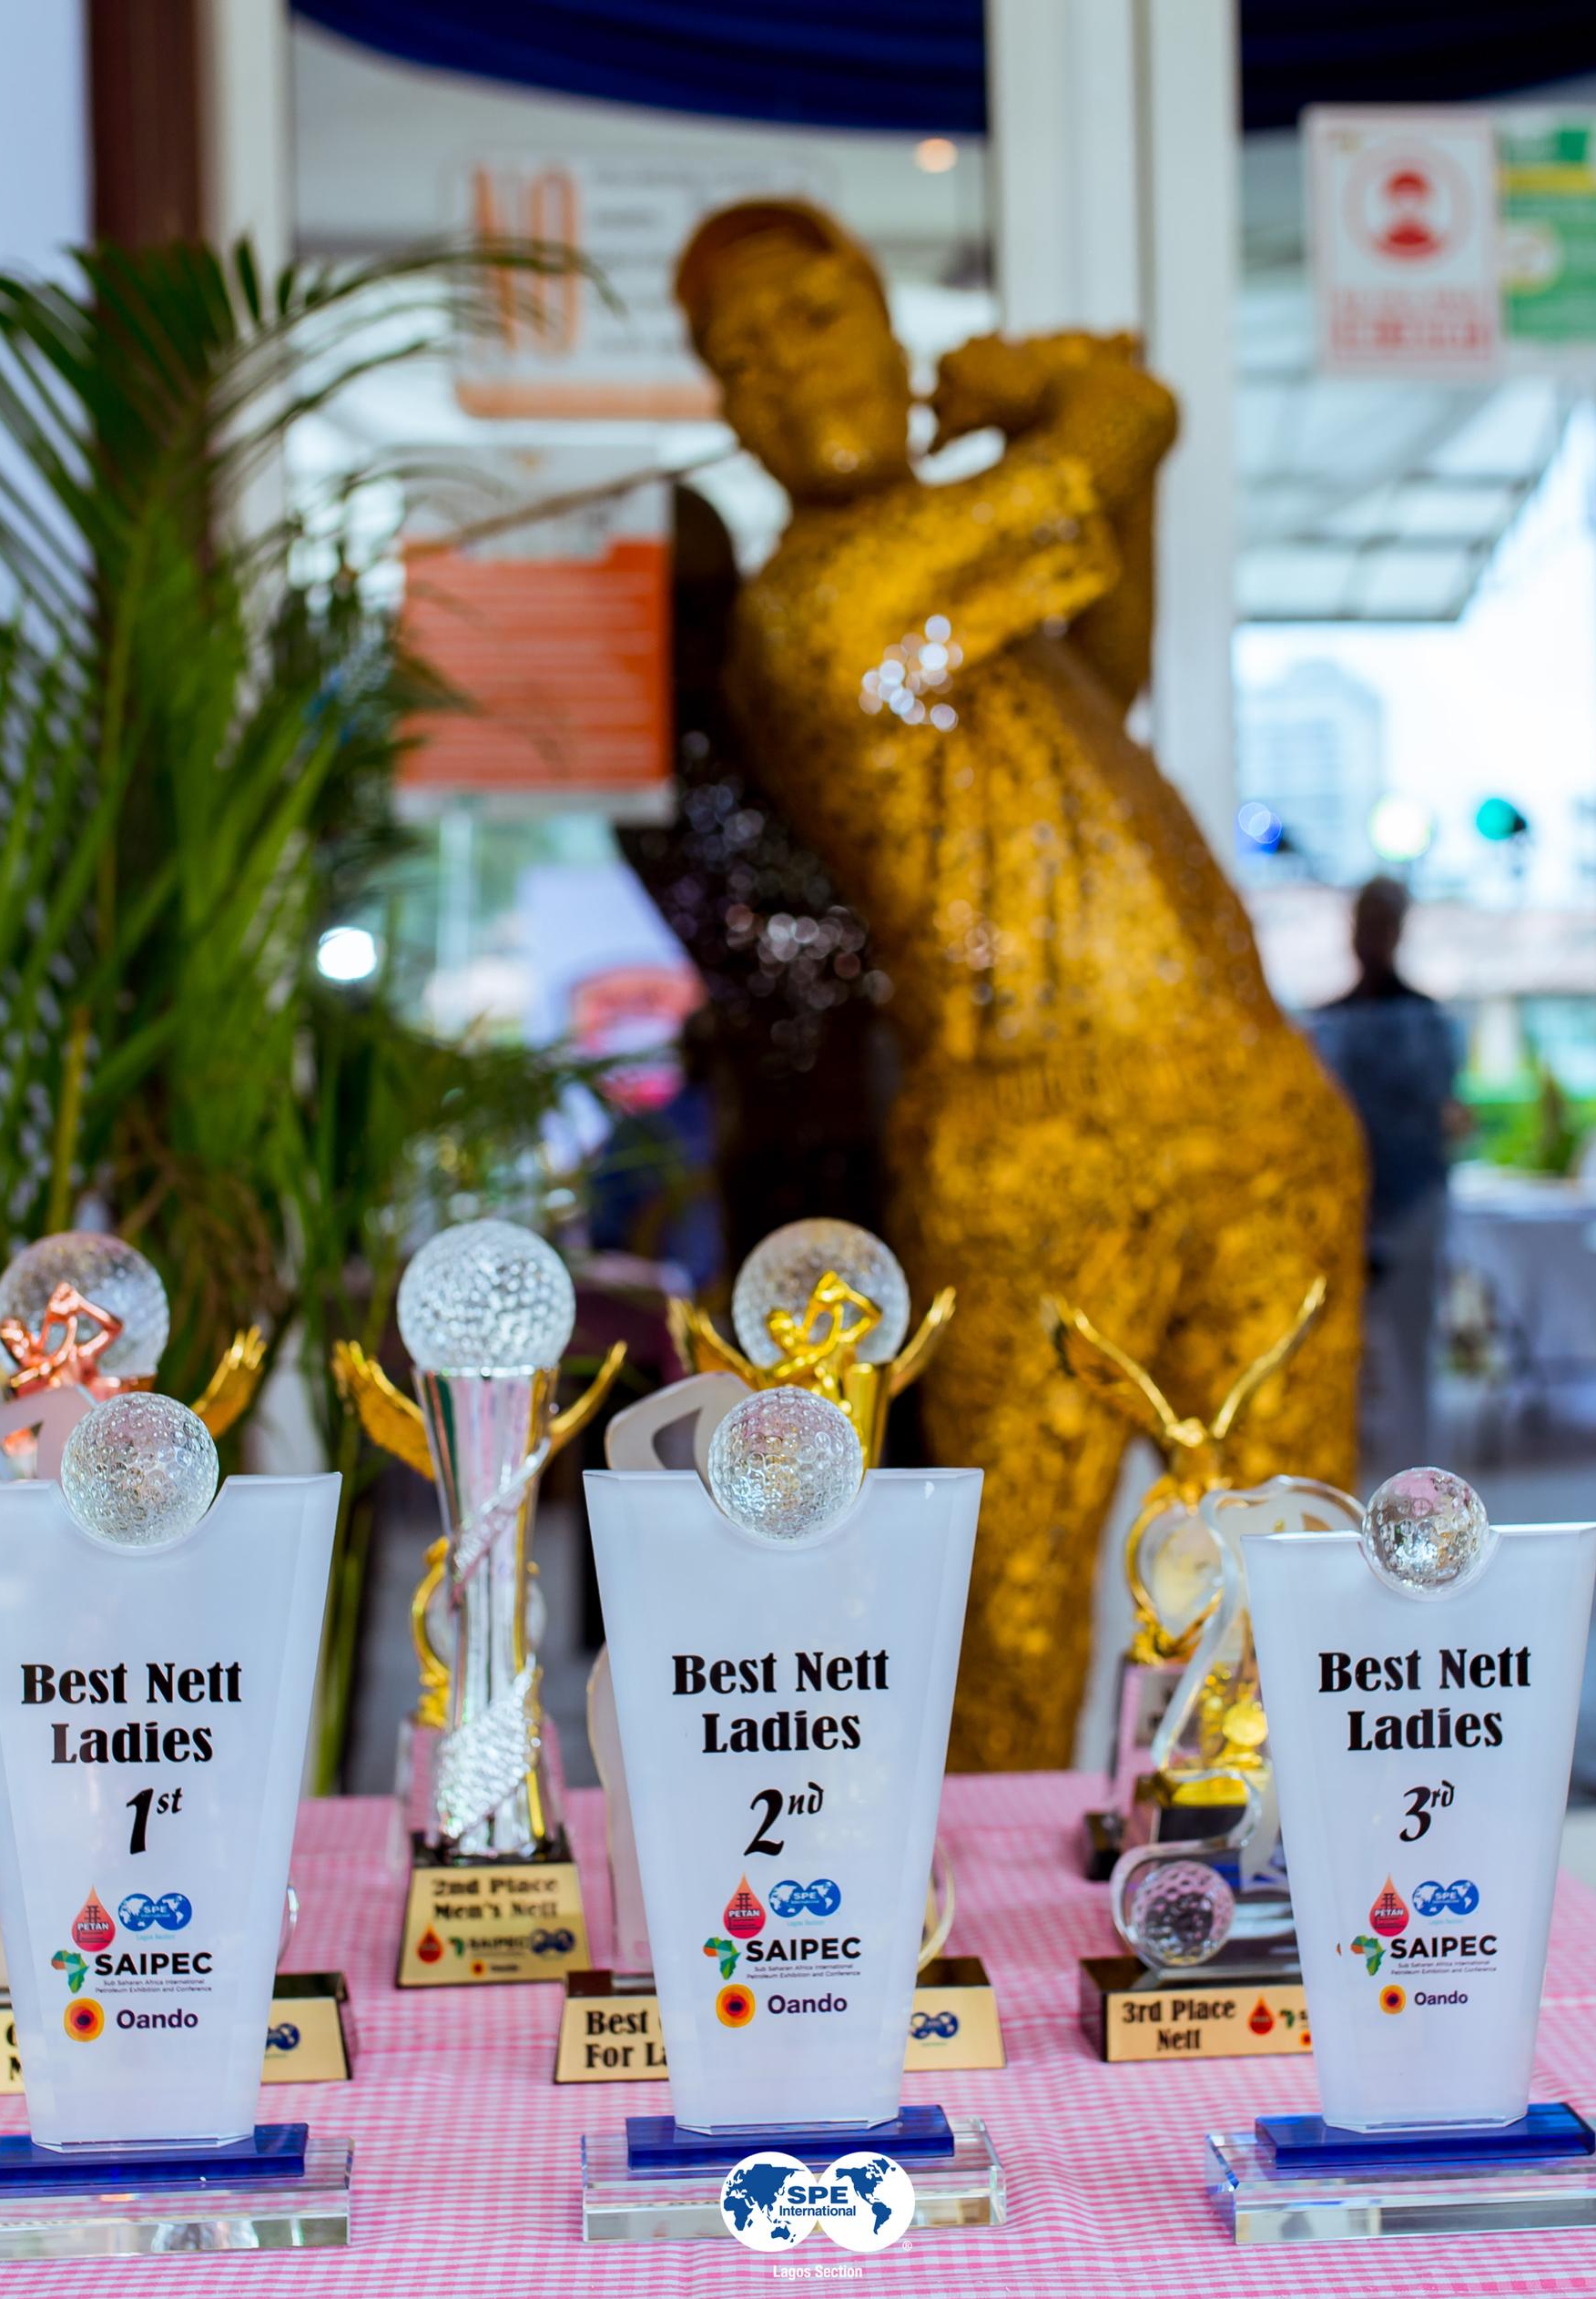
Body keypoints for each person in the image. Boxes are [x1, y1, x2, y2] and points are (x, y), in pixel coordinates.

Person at [672, 199, 1365, 1772]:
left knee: (1281, 1577)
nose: (786, 372)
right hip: (1035, 1136)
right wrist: (1050, 389)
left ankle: (1256, 1885)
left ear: (886, 327)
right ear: (727, 416)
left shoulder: (973, 611)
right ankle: (986, 1906)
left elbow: (1103, 652)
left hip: (1253, 1104)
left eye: (816, 317)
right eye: (740, 359)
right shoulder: (814, 610)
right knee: (1016, 1616)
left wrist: (1073, 425)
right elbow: (1125, 425)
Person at [1311, 877, 1465, 1478]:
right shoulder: (1328, 1023)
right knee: (1338, 1360)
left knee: (1408, 1355)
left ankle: (1416, 1489)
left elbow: (1437, 1114)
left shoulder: (1424, 1023)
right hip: (1346, 1214)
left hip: (1412, 1208)